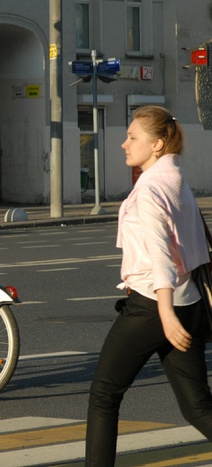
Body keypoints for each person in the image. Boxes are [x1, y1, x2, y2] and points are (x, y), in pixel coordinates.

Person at [85, 105, 212, 465]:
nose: (124, 144)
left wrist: (165, 312)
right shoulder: (175, 177)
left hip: (153, 306)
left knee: (104, 394)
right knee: (196, 405)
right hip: (187, 303)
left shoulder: (151, 190)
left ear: (156, 144)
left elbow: (160, 255)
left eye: (132, 137)